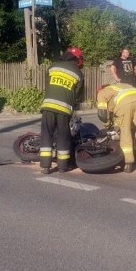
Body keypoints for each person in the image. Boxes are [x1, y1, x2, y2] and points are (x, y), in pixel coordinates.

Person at [39, 47, 85, 175]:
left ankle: (45, 166)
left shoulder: (53, 67)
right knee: (63, 136)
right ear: (77, 59)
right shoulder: (78, 73)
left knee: (46, 134)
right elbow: (78, 96)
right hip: (64, 109)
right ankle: (62, 166)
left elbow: (48, 85)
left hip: (48, 106)